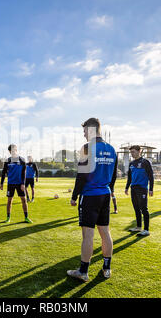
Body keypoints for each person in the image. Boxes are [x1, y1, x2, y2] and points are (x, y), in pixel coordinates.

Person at [68, 118, 117, 282]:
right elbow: (114, 176)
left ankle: (83, 271)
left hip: (90, 195)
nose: (83, 134)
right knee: (105, 232)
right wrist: (111, 191)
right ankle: (107, 268)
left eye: (84, 131)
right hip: (105, 194)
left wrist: (74, 196)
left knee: (88, 235)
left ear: (91, 129)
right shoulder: (111, 149)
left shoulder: (88, 148)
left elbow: (81, 175)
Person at [125, 145, 154, 237]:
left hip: (142, 188)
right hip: (133, 188)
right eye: (131, 152)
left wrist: (151, 189)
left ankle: (146, 230)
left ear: (139, 151)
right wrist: (126, 187)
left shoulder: (145, 162)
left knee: (144, 209)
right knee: (136, 208)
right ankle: (138, 227)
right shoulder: (131, 163)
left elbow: (151, 176)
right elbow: (129, 177)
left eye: (133, 152)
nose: (132, 154)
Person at [0, 144, 32, 224]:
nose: (13, 151)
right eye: (11, 150)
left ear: (16, 150)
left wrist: (23, 183)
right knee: (9, 201)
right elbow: (3, 172)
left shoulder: (22, 160)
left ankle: (26, 217)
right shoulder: (7, 161)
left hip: (20, 184)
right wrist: (1, 183)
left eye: (14, 150)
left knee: (24, 200)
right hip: (10, 183)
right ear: (9, 151)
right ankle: (8, 218)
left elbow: (24, 173)